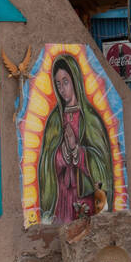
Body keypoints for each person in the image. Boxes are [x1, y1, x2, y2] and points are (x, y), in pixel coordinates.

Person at [37, 54, 114, 224]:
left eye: (66, 82)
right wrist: (62, 153)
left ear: (76, 81)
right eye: (58, 84)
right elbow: (46, 163)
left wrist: (77, 150)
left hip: (85, 195)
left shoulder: (90, 118)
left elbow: (102, 161)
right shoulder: (55, 120)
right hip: (62, 196)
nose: (62, 88)